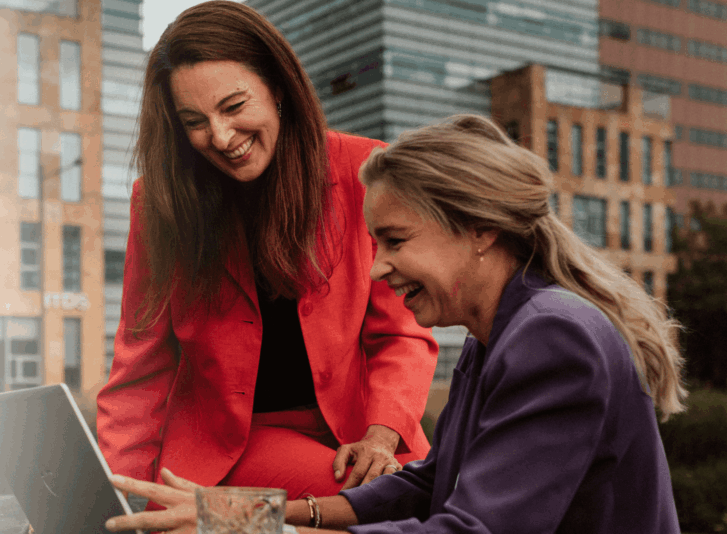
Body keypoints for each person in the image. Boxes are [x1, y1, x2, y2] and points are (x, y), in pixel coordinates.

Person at [105, 114, 687, 534]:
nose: (378, 267)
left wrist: (247, 533)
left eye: (395, 241)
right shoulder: (503, 330)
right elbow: (424, 485)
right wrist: (245, 515)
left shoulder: (552, 337)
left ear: (480, 229)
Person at [96, 0, 439, 505]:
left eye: (233, 107)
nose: (219, 137)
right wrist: (117, 499)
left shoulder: (363, 169)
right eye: (194, 120)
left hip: (364, 432)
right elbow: (140, 371)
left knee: (454, 504)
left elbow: (400, 332)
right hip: (233, 444)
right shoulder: (161, 200)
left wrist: (382, 434)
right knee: (402, 507)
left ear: (278, 87)